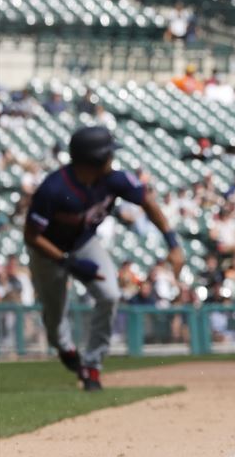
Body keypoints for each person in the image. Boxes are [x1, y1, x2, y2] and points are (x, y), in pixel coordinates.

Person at [22, 126, 184, 390]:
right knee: (54, 315)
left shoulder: (114, 179)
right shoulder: (53, 189)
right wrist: (67, 262)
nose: (112, 159)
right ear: (94, 160)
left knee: (110, 295)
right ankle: (66, 349)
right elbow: (31, 236)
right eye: (109, 154)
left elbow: (148, 202)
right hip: (48, 252)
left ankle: (92, 365)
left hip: (84, 243)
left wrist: (173, 244)